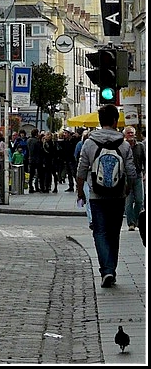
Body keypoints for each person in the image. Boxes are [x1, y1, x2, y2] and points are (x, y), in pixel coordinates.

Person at [76, 104, 137, 288]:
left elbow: (81, 170)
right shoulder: (124, 144)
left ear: (101, 122)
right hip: (118, 195)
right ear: (115, 121)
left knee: (100, 232)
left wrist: (81, 192)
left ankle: (106, 270)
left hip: (97, 194)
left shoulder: (89, 143)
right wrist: (128, 189)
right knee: (113, 234)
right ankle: (111, 269)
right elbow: (132, 173)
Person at [123, 126, 146, 232]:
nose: (130, 135)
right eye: (128, 133)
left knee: (140, 200)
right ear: (125, 135)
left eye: (132, 133)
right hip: (127, 177)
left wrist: (145, 173)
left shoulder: (140, 146)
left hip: (138, 175)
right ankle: (131, 223)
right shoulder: (123, 146)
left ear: (135, 134)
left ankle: (136, 219)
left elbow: (145, 160)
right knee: (129, 201)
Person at [27, 128, 42, 193]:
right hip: (37, 159)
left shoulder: (28, 140)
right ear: (36, 134)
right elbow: (38, 151)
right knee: (38, 174)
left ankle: (30, 186)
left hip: (30, 159)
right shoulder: (36, 141)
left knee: (31, 174)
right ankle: (36, 186)